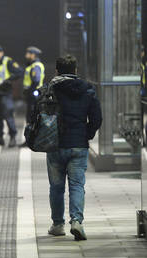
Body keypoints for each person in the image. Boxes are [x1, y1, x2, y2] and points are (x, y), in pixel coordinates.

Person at [45, 55, 102, 241]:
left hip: (55, 143)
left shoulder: (51, 88)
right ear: (76, 70)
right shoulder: (87, 89)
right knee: (77, 185)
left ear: (56, 71)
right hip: (79, 143)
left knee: (56, 187)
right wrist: (88, 133)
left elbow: (39, 114)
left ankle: (58, 225)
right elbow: (97, 117)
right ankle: (77, 221)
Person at [0, 45, 23, 147]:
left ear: (1, 53)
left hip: (5, 93)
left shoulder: (7, 61)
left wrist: (9, 80)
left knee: (8, 115)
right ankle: (0, 138)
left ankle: (13, 138)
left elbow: (20, 72)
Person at [21, 46, 45, 147]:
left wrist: (29, 91)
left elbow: (35, 80)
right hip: (33, 95)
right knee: (32, 117)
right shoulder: (32, 65)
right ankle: (32, 139)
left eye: (28, 53)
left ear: (33, 55)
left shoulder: (35, 66)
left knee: (32, 117)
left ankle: (31, 140)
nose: (26, 55)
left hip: (34, 95)